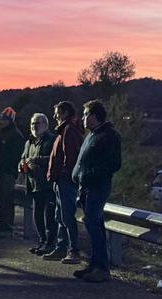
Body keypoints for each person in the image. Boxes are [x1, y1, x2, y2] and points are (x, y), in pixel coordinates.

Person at [72, 100, 123, 282]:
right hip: (86, 187)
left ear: (95, 116)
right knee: (93, 225)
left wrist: (91, 174)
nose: (83, 118)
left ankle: (102, 268)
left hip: (98, 186)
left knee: (94, 224)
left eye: (86, 114)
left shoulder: (109, 135)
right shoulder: (92, 135)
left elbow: (114, 163)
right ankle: (94, 265)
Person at [41, 101, 85, 264]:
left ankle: (73, 250)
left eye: (57, 112)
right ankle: (61, 248)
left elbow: (71, 156)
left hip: (65, 181)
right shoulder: (65, 130)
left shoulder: (68, 130)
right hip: (61, 180)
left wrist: (63, 175)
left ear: (65, 113)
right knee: (60, 215)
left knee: (66, 216)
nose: (55, 116)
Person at [18, 113, 56, 254]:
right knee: (38, 216)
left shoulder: (52, 140)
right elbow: (23, 158)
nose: (34, 126)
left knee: (49, 217)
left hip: (47, 185)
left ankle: (50, 244)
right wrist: (21, 165)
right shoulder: (29, 142)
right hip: (33, 185)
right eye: (32, 123)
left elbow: (55, 159)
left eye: (37, 123)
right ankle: (42, 242)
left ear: (46, 125)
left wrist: (37, 160)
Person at [0, 107, 25, 237]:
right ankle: (2, 225)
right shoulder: (0, 133)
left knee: (6, 200)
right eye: (0, 118)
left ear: (10, 120)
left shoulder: (15, 135)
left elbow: (14, 156)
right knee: (0, 200)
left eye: (4, 119)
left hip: (7, 172)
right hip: (0, 172)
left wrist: (9, 169)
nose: (1, 121)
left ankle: (7, 227)